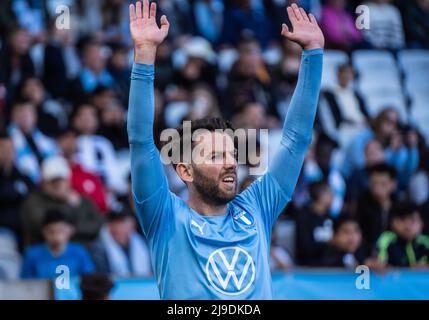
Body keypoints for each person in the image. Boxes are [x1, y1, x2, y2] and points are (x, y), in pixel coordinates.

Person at [128, 1, 324, 299]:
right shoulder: (164, 216)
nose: (231, 163)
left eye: (232, 154)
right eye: (216, 156)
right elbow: (141, 140)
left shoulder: (257, 207)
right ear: (185, 170)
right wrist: (144, 53)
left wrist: (313, 54)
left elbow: (296, 139)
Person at [21, 156, 104, 246]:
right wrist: (71, 207)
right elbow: (40, 225)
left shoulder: (82, 199)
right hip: (46, 251)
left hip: (82, 248)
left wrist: (71, 229)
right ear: (44, 182)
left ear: (68, 180)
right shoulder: (34, 200)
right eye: (53, 181)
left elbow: (96, 224)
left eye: (61, 180)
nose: (57, 185)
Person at [21, 209, 95, 279]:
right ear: (43, 231)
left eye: (61, 231)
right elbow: (27, 284)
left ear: (71, 230)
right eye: (51, 231)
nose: (56, 237)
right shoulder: (32, 254)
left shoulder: (79, 252)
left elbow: (89, 279)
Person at [89, 209, 152, 277]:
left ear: (133, 224)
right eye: (114, 221)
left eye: (122, 221)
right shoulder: (99, 247)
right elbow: (103, 276)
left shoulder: (143, 243)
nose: (118, 227)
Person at [355, 163, 397, 257]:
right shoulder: (361, 207)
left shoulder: (400, 208)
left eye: (383, 184)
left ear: (393, 185)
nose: (377, 188)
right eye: (374, 183)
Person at [0, 131, 34, 239]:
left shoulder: (24, 177)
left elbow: (33, 198)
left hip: (22, 231)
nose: (8, 152)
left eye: (11, 148)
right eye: (3, 148)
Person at [376, 202, 429, 268]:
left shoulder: (426, 242)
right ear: (392, 222)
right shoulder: (386, 240)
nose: (407, 226)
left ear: (421, 223)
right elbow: (380, 265)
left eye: (413, 220)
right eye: (402, 219)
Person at [296, 181, 334, 266]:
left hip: (330, 264)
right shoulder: (303, 217)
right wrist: (331, 243)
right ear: (321, 196)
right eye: (330, 193)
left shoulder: (330, 216)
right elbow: (304, 247)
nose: (333, 197)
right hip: (309, 266)